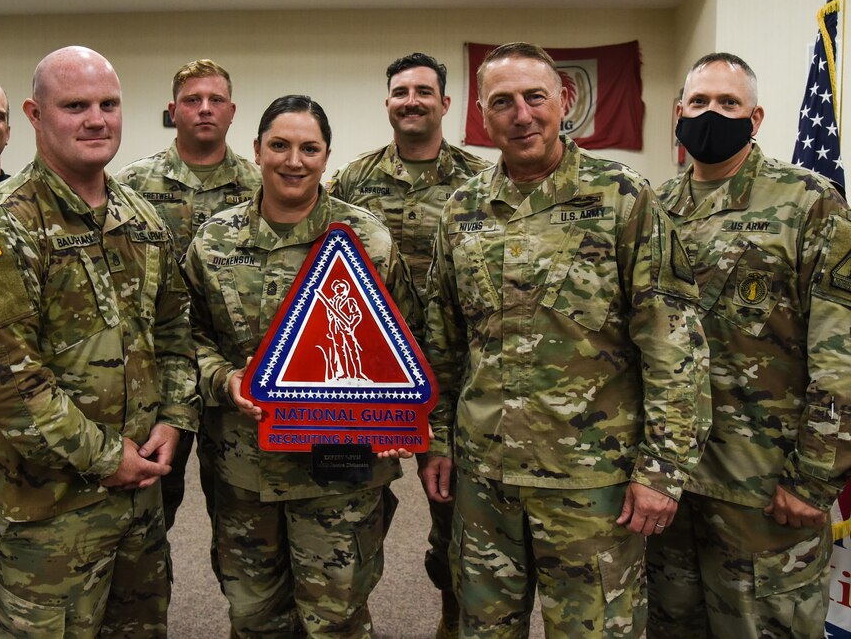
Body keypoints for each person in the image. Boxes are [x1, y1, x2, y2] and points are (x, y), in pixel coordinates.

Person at [420, 42, 708, 637]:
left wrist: (662, 469)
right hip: (485, 478)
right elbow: (443, 343)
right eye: (503, 102)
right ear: (482, 112)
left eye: (535, 98)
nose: (521, 115)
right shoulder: (462, 210)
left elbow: (672, 341)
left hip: (590, 484)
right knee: (483, 628)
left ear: (564, 101)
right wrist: (437, 441)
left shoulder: (623, 197)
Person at [0, 46, 198, 637]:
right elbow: (4, 377)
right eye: (75, 105)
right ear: (34, 115)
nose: (96, 119)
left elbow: (175, 330)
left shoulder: (140, 219)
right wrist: (108, 459)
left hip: (138, 501)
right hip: (45, 516)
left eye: (108, 104)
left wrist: (176, 418)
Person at [183, 95, 419, 637]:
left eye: (309, 148)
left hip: (341, 468)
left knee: (335, 619)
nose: (294, 160)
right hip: (244, 470)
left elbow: (408, 343)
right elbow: (184, 338)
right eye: (280, 146)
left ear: (327, 155)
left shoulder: (369, 241)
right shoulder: (214, 242)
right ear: (256, 150)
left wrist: (396, 415)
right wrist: (225, 378)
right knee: (253, 616)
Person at [648, 52, 851, 638]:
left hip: (763, 486)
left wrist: (814, 479)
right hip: (670, 482)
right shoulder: (656, 208)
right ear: (678, 112)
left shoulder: (808, 203)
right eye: (700, 102)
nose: (713, 113)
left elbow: (841, 354)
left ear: (756, 117)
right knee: (671, 626)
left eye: (729, 103)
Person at [329, 52, 489, 637]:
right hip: (372, 377)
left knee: (459, 517)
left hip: (457, 375)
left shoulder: (479, 180)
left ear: (446, 104)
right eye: (401, 92)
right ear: (388, 103)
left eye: (425, 91)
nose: (412, 100)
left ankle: (453, 617)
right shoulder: (351, 181)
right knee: (356, 508)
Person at [116, 59, 260, 532]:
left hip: (236, 372)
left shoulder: (259, 187)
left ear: (232, 111)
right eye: (192, 100)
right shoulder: (132, 184)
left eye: (215, 100)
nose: (204, 109)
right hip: (160, 371)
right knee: (152, 506)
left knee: (239, 512)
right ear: (172, 110)